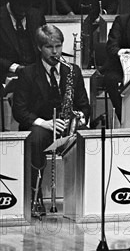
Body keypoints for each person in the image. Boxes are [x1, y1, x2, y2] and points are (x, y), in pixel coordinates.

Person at [12, 24, 90, 217]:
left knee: (89, 136)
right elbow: (19, 111)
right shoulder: (27, 73)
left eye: (58, 46)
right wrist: (43, 122)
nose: (55, 52)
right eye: (49, 47)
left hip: (67, 127)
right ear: (39, 47)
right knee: (36, 138)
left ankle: (87, 197)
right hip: (42, 126)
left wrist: (79, 117)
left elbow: (84, 105)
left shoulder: (73, 71)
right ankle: (35, 196)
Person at [0, 0, 46, 86]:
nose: (23, 13)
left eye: (26, 10)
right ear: (11, 4)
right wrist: (15, 68)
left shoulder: (36, 15)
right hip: (6, 74)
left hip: (36, 73)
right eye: (20, 10)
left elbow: (44, 44)